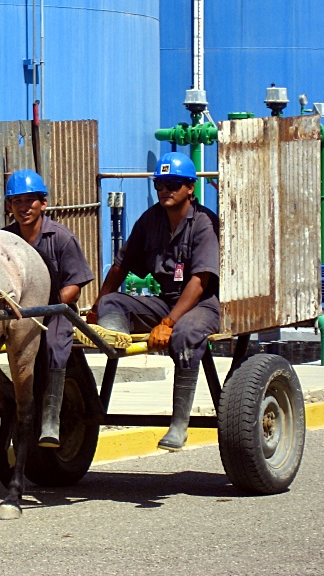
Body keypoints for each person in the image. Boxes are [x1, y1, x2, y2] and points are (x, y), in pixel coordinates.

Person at [84, 152, 220, 451]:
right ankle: (115, 340)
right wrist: (97, 306)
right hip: (165, 301)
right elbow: (121, 265)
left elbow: (200, 282)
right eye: (160, 184)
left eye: (173, 184)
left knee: (185, 335)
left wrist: (169, 323)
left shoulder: (203, 223)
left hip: (201, 305)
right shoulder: (151, 219)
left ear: (190, 188)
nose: (164, 190)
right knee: (113, 303)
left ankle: (179, 424)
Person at [3, 169, 94, 448]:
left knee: (55, 345)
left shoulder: (61, 237)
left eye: (29, 201)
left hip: (56, 311)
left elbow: (75, 284)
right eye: (16, 201)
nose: (23, 207)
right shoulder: (6, 240)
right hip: (19, 314)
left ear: (43, 204)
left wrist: (47, 304)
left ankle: (52, 417)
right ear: (9, 206)